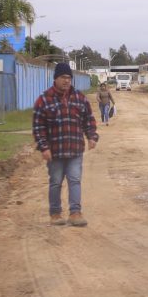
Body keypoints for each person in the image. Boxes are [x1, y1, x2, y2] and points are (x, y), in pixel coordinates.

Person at [32, 62, 99, 227]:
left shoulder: (80, 98)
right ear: (55, 78)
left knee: (75, 180)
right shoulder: (44, 100)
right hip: (54, 152)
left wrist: (91, 136)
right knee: (56, 182)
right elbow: (38, 127)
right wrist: (43, 147)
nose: (66, 81)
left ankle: (75, 213)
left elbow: (88, 120)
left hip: (75, 150)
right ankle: (55, 213)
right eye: (63, 77)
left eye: (69, 78)